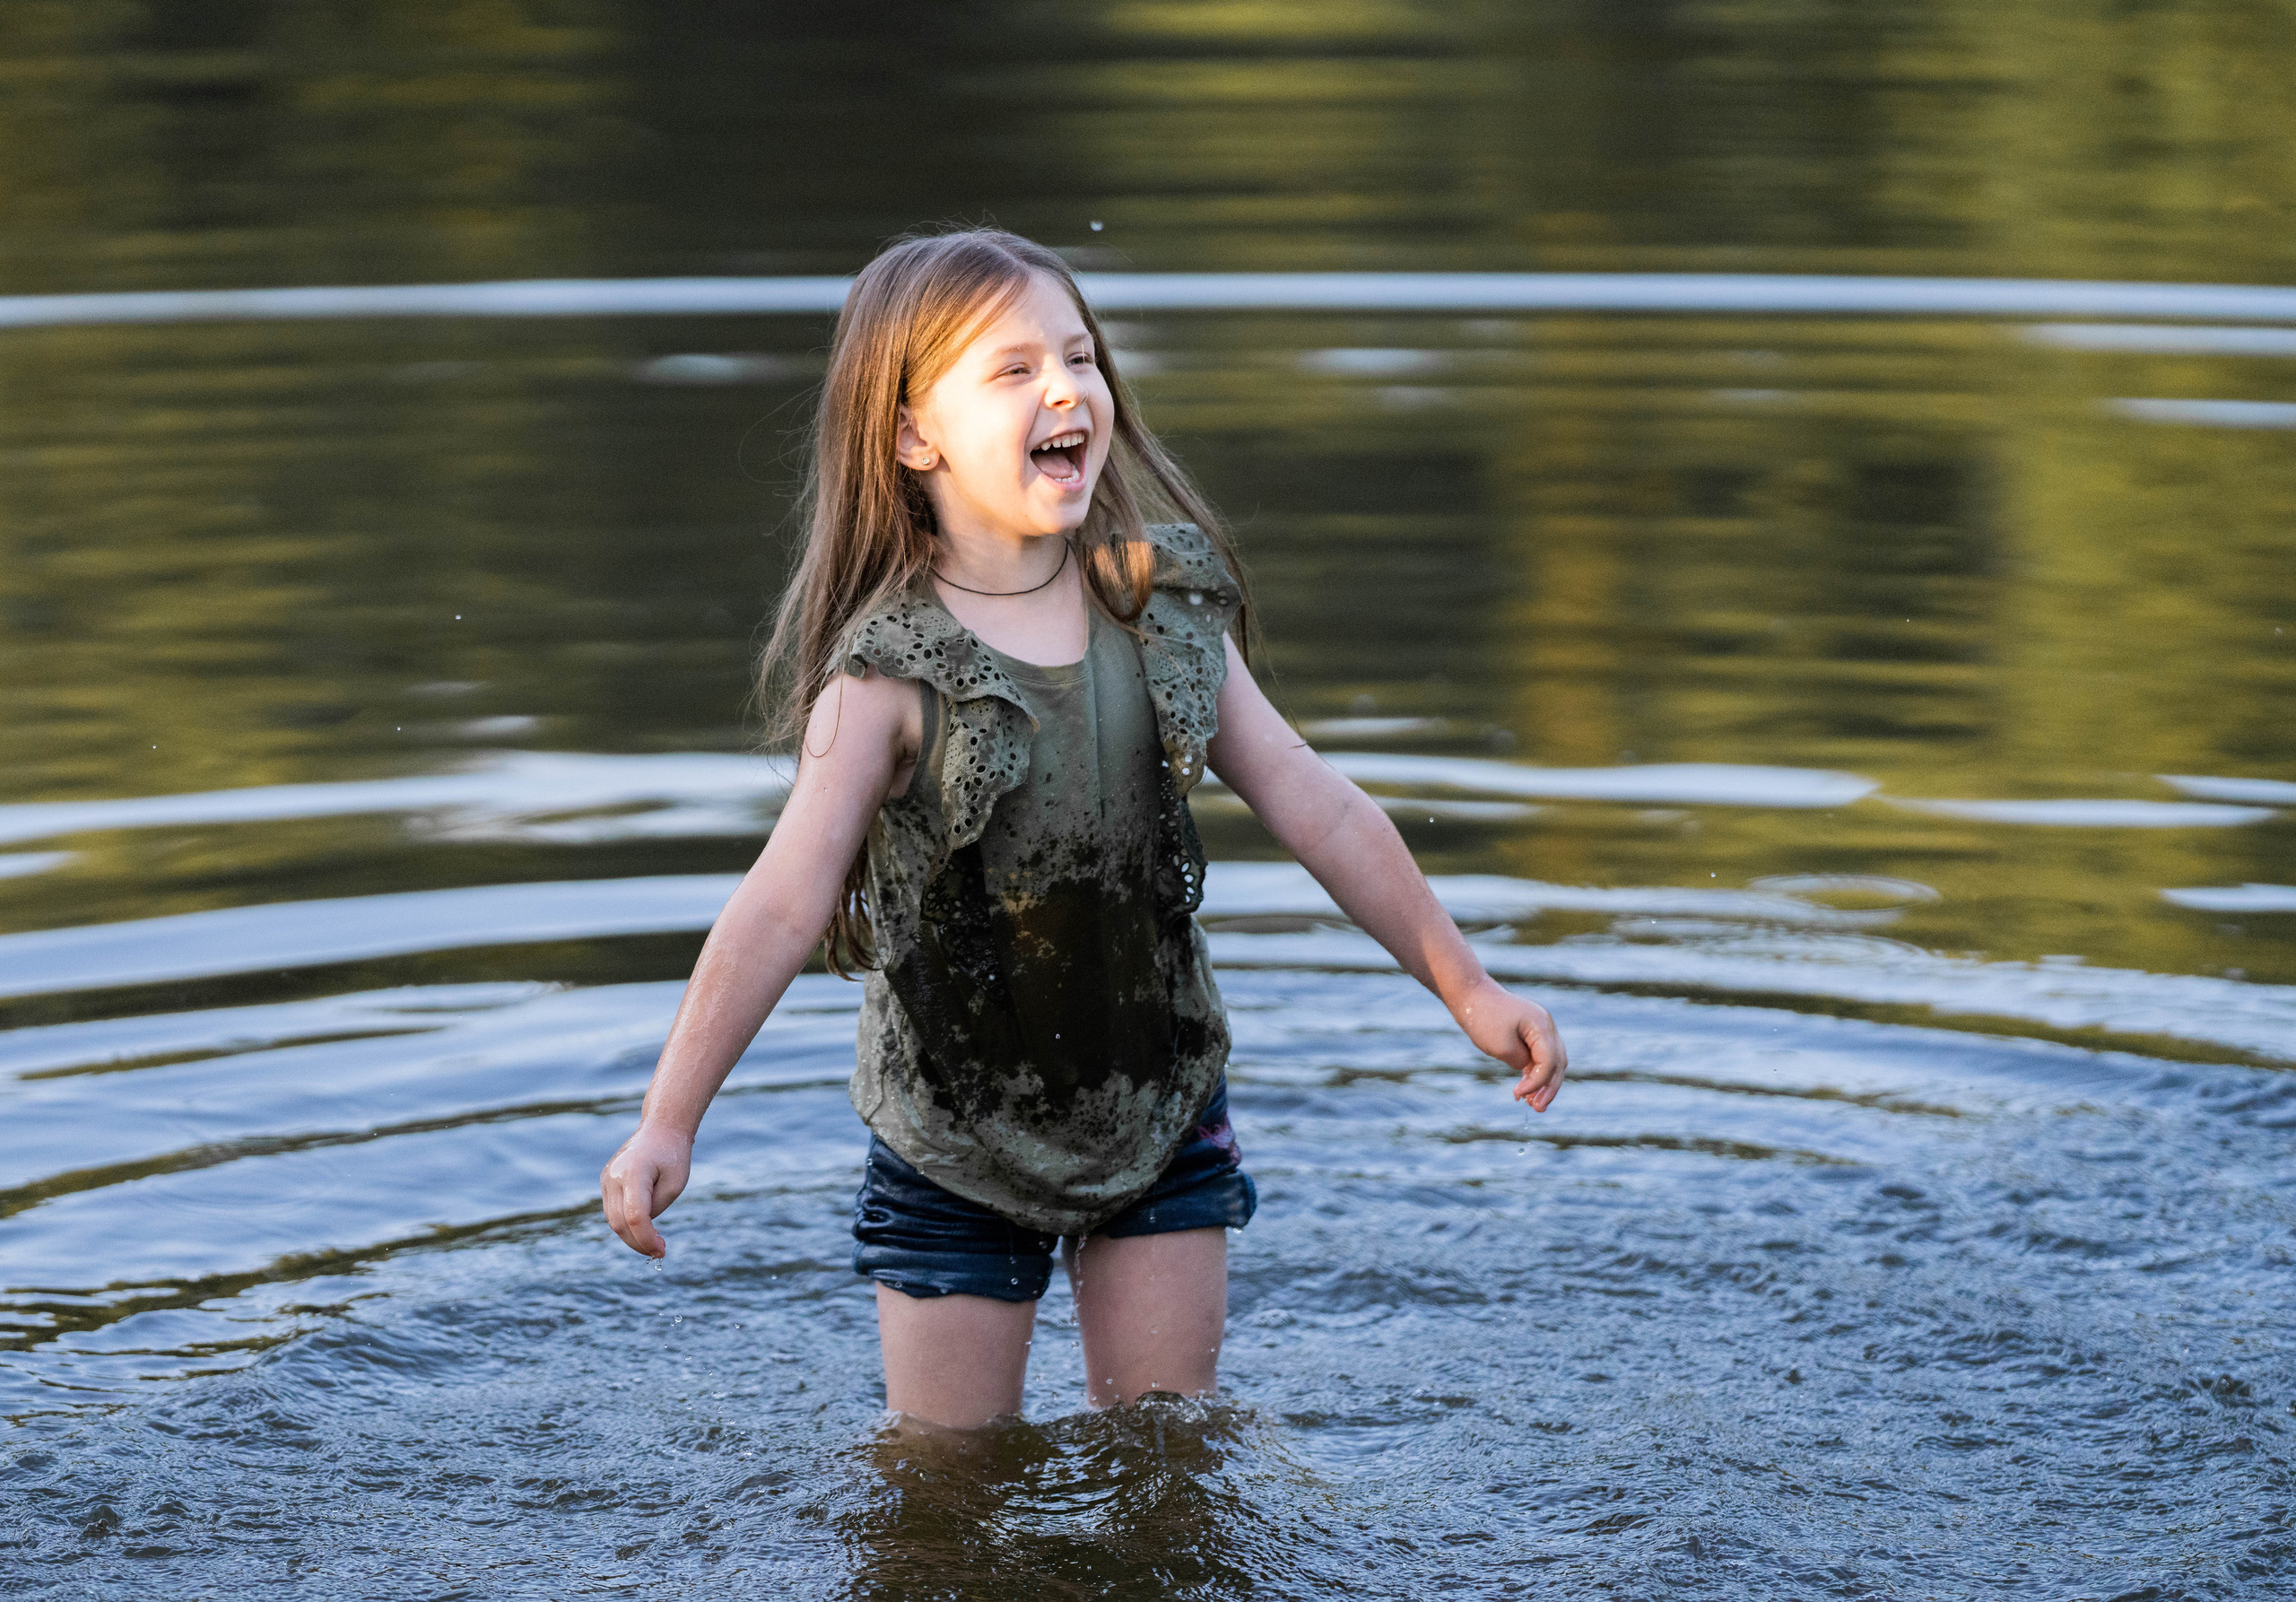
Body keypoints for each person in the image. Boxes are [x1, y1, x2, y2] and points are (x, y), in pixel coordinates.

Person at [598, 227, 1567, 1431]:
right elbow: (783, 900)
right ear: (914, 433)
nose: (1066, 388)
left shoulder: (1158, 613)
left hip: (1156, 1111)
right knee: (943, 1499)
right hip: (952, 1142)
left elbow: (1316, 804)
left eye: (1080, 357)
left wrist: (1465, 985)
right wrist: (669, 1117)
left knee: (1168, 1462)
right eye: (1011, 370)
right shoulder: (888, 678)